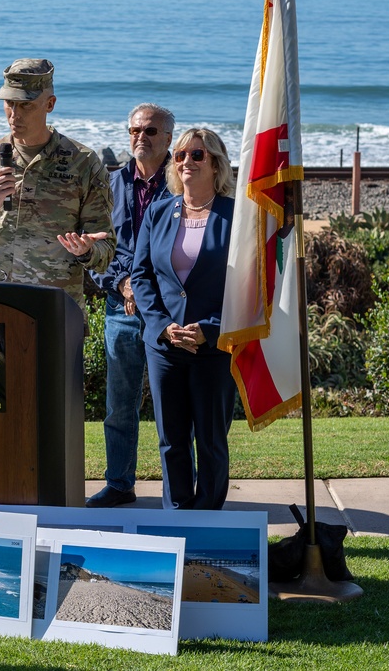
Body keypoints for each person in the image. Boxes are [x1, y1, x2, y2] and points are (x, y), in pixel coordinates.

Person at [0, 58, 115, 317]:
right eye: (9, 104)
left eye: (25, 105)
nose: (15, 114)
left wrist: (88, 250)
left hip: (55, 310)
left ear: (50, 104)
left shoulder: (84, 164)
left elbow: (105, 253)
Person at [131, 128, 237, 510]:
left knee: (210, 441)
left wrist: (210, 328)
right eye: (180, 156)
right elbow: (141, 275)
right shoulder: (159, 211)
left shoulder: (236, 215)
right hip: (164, 346)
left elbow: (251, 286)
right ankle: (177, 520)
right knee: (171, 440)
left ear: (215, 163)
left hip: (214, 346)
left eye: (197, 155)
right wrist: (161, 326)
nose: (186, 162)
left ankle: (208, 521)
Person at [86, 103, 175, 508]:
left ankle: (179, 489)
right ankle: (120, 483)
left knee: (173, 407)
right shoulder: (110, 184)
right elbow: (99, 247)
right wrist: (123, 283)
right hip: (120, 308)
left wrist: (149, 288)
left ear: (168, 138)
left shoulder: (184, 180)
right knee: (119, 405)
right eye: (135, 130)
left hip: (172, 311)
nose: (141, 137)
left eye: (151, 131)